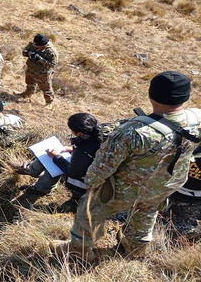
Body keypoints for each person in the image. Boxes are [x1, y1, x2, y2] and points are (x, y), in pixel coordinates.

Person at [53, 71, 201, 260]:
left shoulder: (134, 131)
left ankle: (78, 252)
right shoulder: (196, 119)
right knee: (146, 213)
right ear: (186, 96)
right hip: (167, 185)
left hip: (126, 190)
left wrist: (91, 183)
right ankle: (135, 249)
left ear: (151, 95)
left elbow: (102, 167)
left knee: (89, 209)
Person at [13, 113, 100, 211]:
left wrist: (56, 157)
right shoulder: (100, 135)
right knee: (52, 158)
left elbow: (71, 173)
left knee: (53, 163)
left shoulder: (83, 152)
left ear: (79, 133)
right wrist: (72, 148)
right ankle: (32, 172)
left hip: (85, 184)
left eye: (72, 131)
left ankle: (39, 188)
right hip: (100, 177)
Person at [18, 34, 58, 105]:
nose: (35, 46)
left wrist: (39, 59)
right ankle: (27, 95)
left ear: (43, 45)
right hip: (31, 69)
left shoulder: (51, 52)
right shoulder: (34, 44)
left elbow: (52, 65)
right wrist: (29, 53)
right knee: (29, 83)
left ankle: (49, 103)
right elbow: (24, 51)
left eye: (37, 46)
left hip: (43, 74)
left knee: (46, 89)